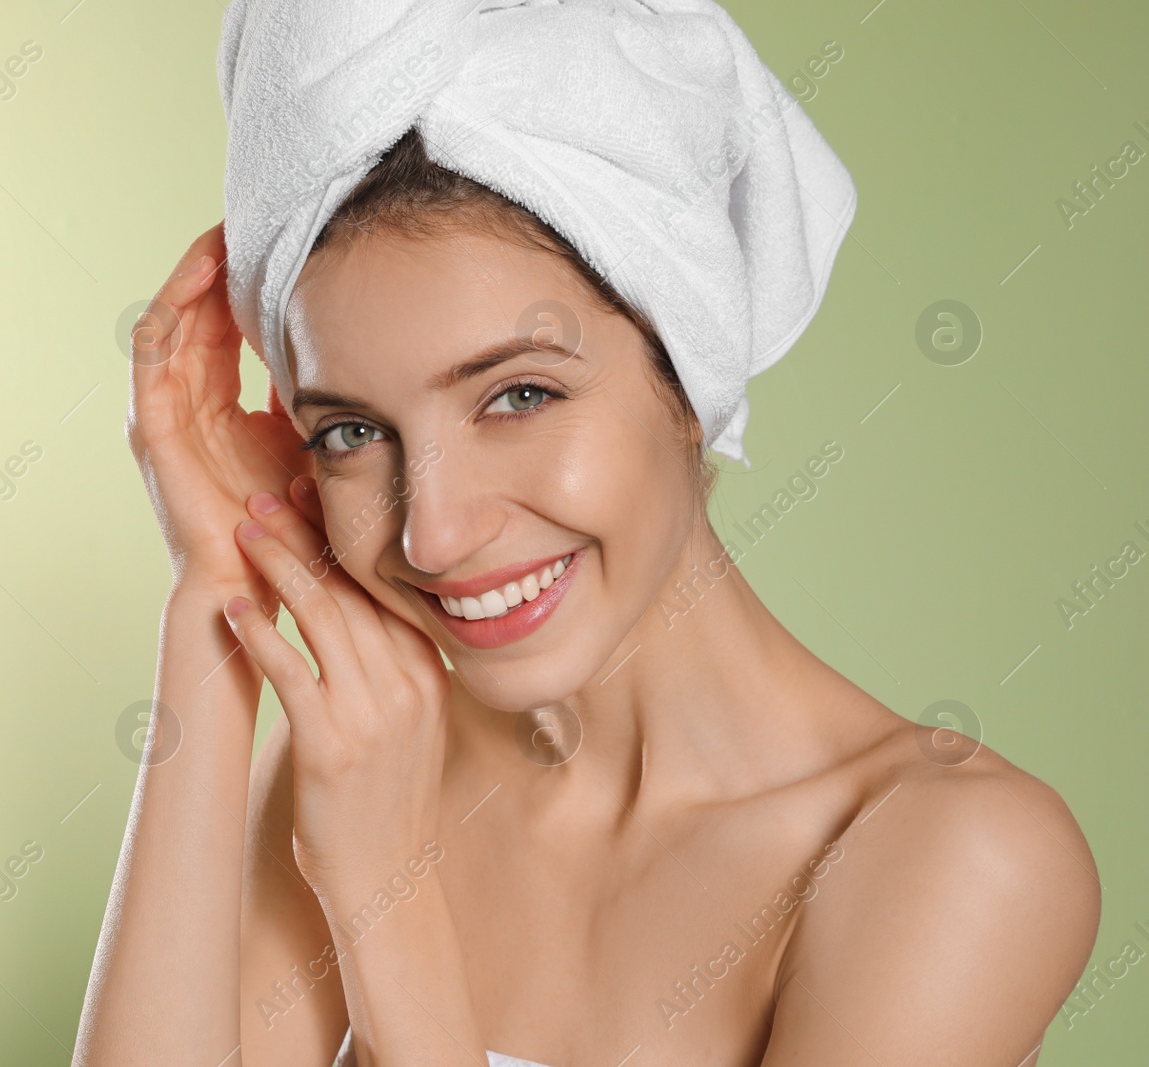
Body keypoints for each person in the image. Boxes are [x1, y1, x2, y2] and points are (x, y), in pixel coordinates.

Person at [73, 126, 1100, 1067]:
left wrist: (388, 902)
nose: (433, 530)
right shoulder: (369, 751)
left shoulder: (955, 858)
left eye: (518, 396)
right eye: (350, 430)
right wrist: (217, 590)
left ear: (690, 385)